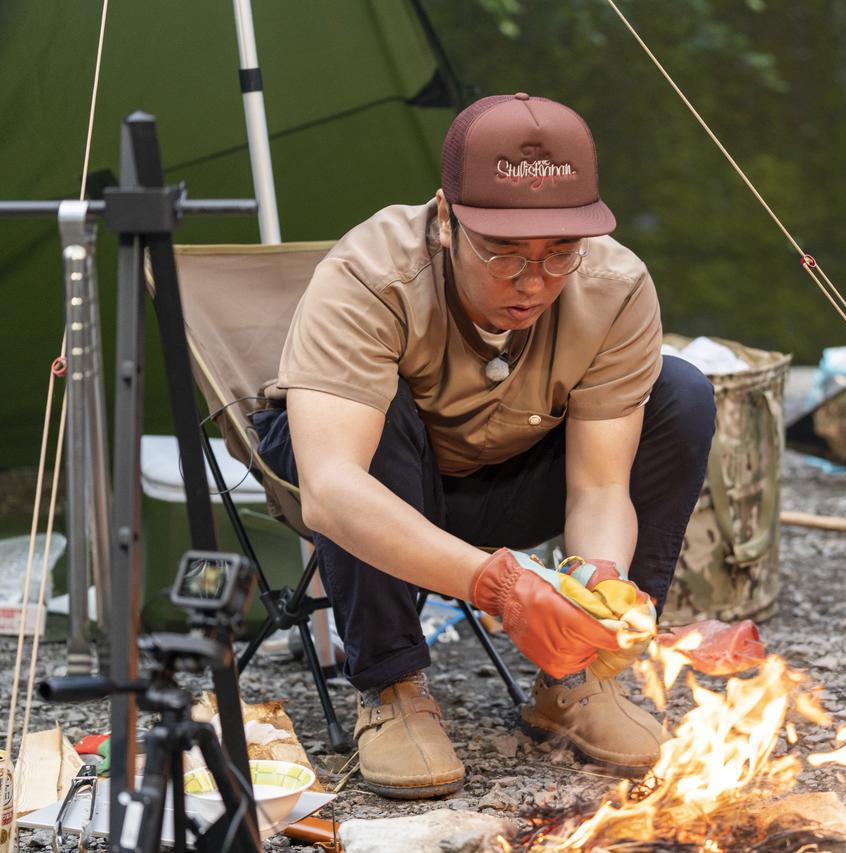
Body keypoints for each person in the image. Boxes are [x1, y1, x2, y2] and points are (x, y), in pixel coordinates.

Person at [252, 93, 716, 799]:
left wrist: (593, 589)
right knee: (368, 423)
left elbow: (598, 486)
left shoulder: (616, 287)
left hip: (507, 480)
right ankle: (392, 686)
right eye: (504, 254)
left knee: (680, 394)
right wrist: (501, 586)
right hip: (385, 489)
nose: (533, 283)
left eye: (560, 254)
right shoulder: (371, 275)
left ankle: (581, 677)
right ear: (445, 219)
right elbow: (330, 486)